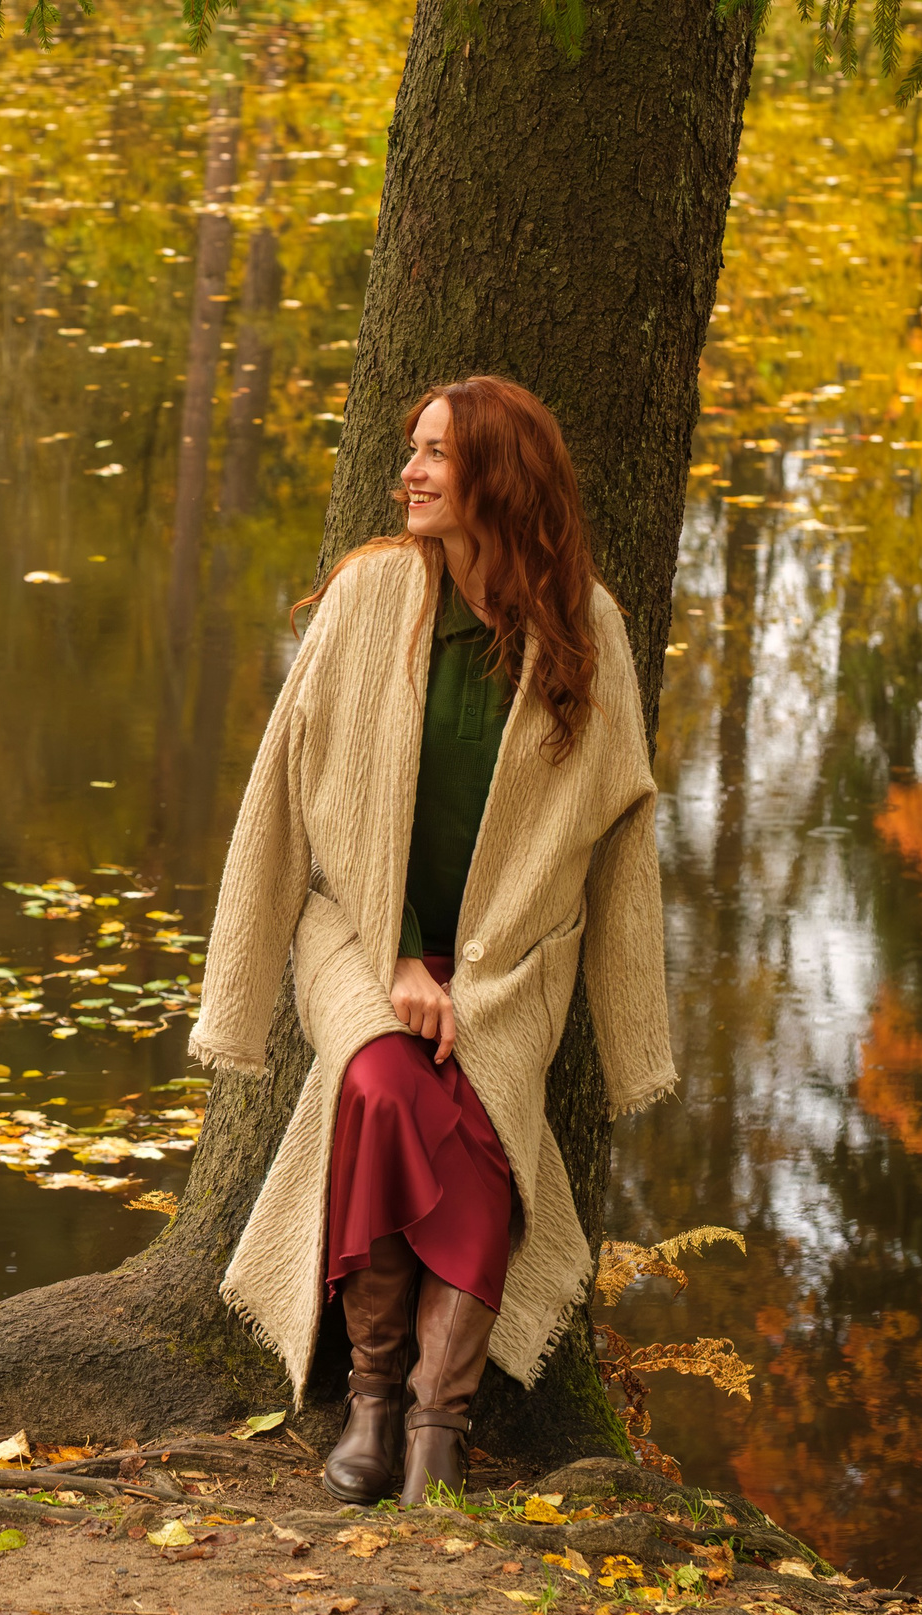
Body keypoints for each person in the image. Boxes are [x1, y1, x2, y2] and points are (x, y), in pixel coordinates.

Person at [188, 375, 676, 1507]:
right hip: (358, 935)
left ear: (495, 480)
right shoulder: (368, 600)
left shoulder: (585, 628)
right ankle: (374, 1401)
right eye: (409, 449)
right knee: (381, 1084)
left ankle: (433, 1434)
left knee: (483, 1124)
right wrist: (400, 955)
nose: (404, 471)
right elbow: (301, 793)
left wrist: (626, 1039)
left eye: (433, 454)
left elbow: (621, 834)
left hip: (512, 962)